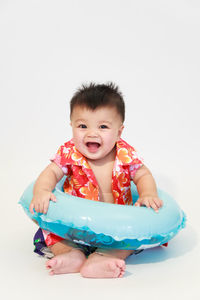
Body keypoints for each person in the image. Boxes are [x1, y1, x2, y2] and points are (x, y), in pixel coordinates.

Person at [30, 82, 163, 278]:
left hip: (115, 227)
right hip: (75, 226)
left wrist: (148, 194)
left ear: (119, 132)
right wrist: (42, 191)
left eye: (103, 127)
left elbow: (143, 175)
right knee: (53, 234)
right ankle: (71, 255)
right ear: (72, 126)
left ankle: (103, 259)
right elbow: (51, 172)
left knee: (131, 239)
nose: (92, 133)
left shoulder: (125, 154)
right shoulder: (70, 153)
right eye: (82, 126)